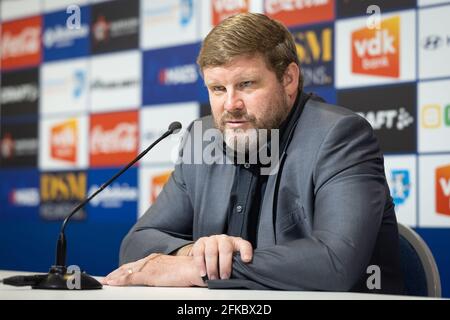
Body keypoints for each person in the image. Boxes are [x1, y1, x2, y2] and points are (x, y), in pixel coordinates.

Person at [103, 13, 403, 293]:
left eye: (246, 84)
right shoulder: (201, 138)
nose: (231, 104)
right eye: (218, 89)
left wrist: (203, 269)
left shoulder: (341, 136)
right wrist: (191, 252)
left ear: (288, 79)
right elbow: (136, 243)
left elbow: (335, 262)